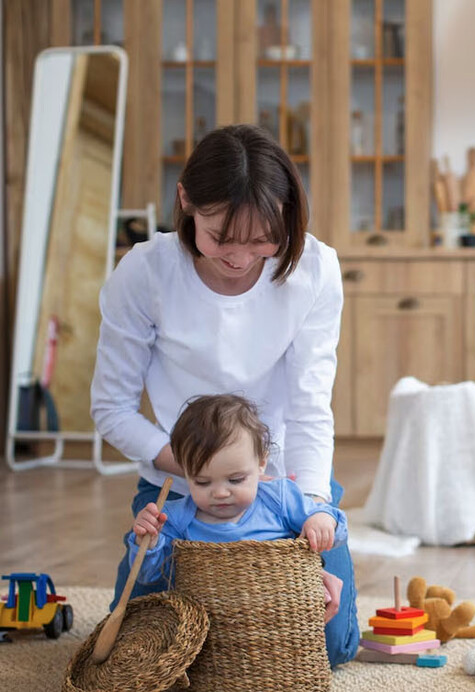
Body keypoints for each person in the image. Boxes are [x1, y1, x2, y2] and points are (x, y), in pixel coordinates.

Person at [90, 124, 358, 664]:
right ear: (187, 201)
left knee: (325, 648)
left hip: (281, 485)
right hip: (179, 494)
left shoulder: (314, 269)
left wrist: (311, 511)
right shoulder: (145, 272)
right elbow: (111, 409)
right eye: (220, 238)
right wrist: (200, 472)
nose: (240, 257)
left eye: (263, 240)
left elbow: (309, 407)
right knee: (144, 652)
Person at [129, 395, 347, 585]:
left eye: (236, 480)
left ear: (262, 463)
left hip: (281, 613)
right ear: (186, 473)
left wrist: (320, 520)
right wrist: (148, 541)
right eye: (202, 482)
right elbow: (148, 575)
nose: (221, 493)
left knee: (331, 626)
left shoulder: (278, 497)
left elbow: (335, 527)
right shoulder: (175, 517)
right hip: (208, 618)